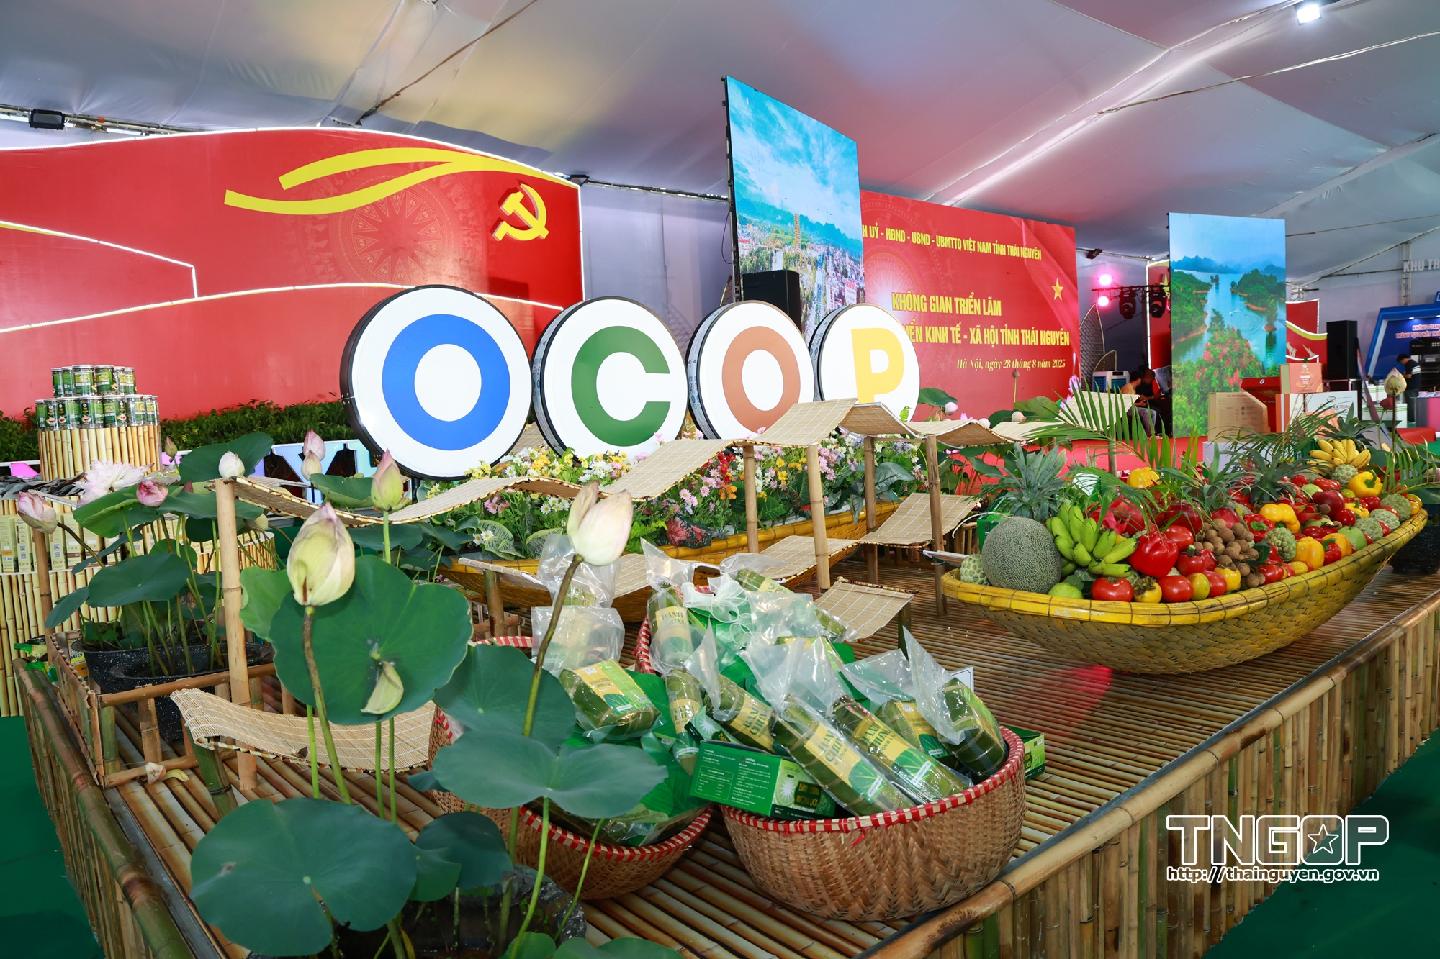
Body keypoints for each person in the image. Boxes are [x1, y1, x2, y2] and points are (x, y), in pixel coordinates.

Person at [1398, 354, 1420, 425]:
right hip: (1416, 386)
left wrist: (1401, 375)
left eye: (1401, 362)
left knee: (1410, 404)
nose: (1402, 363)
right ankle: (1415, 418)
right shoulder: (1415, 363)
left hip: (1410, 387)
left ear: (1404, 359)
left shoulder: (1409, 364)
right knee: (1414, 403)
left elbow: (1408, 376)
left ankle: (1411, 419)